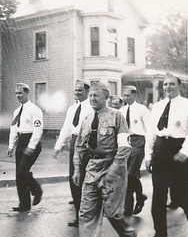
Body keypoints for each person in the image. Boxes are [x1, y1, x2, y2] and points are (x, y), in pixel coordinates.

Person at [73, 82, 136, 237]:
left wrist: (114, 169)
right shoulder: (87, 118)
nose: (92, 99)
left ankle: (129, 235)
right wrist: (77, 169)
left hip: (112, 169)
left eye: (96, 95)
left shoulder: (117, 116)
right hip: (92, 168)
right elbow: (80, 147)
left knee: (113, 214)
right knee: (86, 213)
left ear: (106, 97)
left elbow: (124, 147)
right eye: (90, 96)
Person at [145, 73, 188, 237]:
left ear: (180, 86)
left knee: (182, 195)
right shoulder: (157, 106)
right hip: (160, 150)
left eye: (171, 84)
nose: (167, 87)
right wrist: (148, 155)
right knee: (158, 196)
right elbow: (151, 132)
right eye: (165, 84)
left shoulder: (186, 105)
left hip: (178, 150)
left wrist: (184, 152)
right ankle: (160, 232)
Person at [53, 79, 92, 227]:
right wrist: (58, 146)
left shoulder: (92, 107)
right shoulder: (72, 109)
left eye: (80, 90)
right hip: (74, 143)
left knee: (86, 180)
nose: (76, 93)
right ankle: (79, 215)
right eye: (75, 90)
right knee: (74, 179)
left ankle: (89, 214)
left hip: (87, 145)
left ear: (87, 92)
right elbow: (66, 129)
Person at [7, 83, 43, 212]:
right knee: (19, 174)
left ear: (27, 93)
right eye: (16, 93)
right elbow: (14, 129)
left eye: (20, 93)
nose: (18, 96)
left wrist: (31, 146)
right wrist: (11, 146)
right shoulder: (17, 111)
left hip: (31, 140)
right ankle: (24, 204)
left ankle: (36, 189)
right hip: (21, 141)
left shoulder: (35, 110)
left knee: (23, 172)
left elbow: (38, 130)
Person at [120, 86, 149, 216]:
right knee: (127, 175)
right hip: (126, 142)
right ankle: (136, 199)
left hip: (138, 142)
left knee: (131, 174)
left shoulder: (142, 109)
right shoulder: (121, 110)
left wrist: (149, 150)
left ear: (135, 95)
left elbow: (148, 130)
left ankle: (132, 202)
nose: (126, 98)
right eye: (125, 96)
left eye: (129, 95)